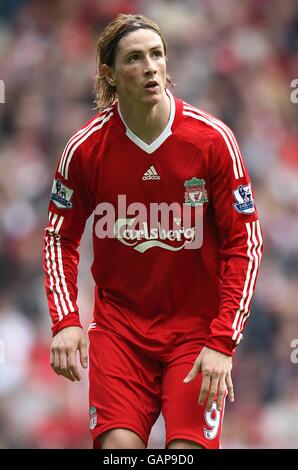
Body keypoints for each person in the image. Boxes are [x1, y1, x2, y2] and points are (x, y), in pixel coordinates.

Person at [43, 13, 263, 449]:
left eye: (157, 55)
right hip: (121, 332)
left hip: (197, 334)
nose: (150, 67)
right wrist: (66, 321)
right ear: (109, 74)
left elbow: (245, 244)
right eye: (135, 58)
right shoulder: (85, 149)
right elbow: (58, 236)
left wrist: (222, 342)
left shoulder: (212, 140)